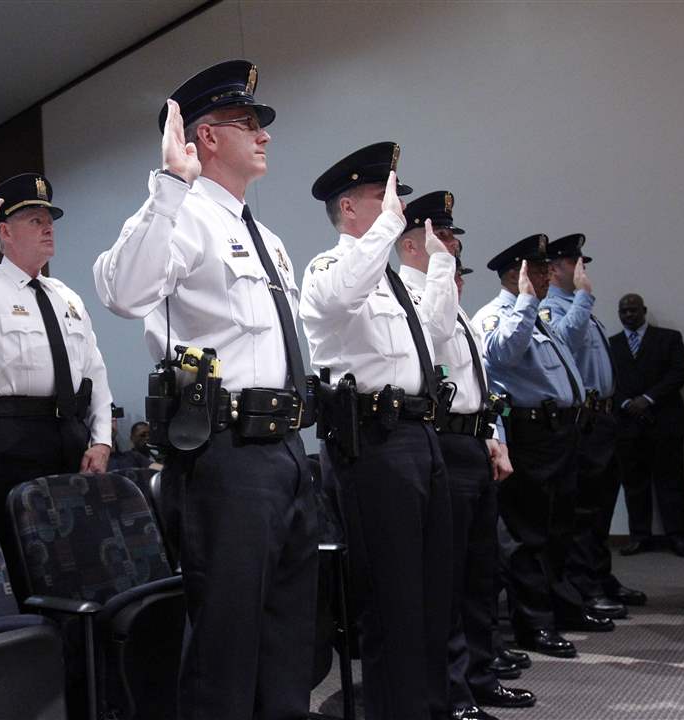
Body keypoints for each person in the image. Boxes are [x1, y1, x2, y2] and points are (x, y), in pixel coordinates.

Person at [93, 60, 318, 720]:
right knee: (225, 646)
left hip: (286, 452)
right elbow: (124, 294)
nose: (265, 135)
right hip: (225, 456)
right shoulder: (182, 215)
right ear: (207, 137)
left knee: (287, 641)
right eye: (249, 123)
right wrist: (167, 184)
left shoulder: (269, 240)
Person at [300, 143, 456, 720]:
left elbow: (438, 333)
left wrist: (438, 261)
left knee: (434, 590)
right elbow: (343, 293)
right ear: (349, 207)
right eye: (382, 197)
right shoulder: (326, 269)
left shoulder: (393, 281)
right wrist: (390, 227)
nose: (397, 205)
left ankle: (433, 705)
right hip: (372, 443)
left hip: (420, 437)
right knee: (392, 600)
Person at [0, 170, 112, 567]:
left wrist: (101, 439)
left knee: (74, 551)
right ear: (6, 233)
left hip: (70, 437)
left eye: (49, 221)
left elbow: (94, 372)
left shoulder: (67, 297)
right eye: (35, 220)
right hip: (10, 439)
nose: (48, 228)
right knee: (16, 554)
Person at [397, 192, 530, 718]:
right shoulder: (410, 300)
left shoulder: (452, 302)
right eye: (443, 238)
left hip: (473, 443)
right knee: (447, 579)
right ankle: (451, 691)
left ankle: (480, 673)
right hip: (443, 446)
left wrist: (492, 434)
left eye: (451, 238)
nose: (452, 247)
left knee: (481, 571)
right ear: (411, 245)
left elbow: (478, 383)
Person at [471, 235, 612, 662]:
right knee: (527, 534)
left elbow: (568, 346)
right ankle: (534, 623)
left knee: (559, 528)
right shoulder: (497, 315)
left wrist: (578, 299)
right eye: (538, 270)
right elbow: (502, 355)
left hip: (560, 433)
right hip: (530, 435)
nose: (547, 276)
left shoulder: (541, 319)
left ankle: (561, 607)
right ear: (516, 275)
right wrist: (527, 303)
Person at [539, 235, 647, 615]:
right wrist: (583, 297)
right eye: (575, 263)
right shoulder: (553, 308)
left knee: (601, 507)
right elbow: (564, 341)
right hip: (582, 421)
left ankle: (601, 577)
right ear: (553, 269)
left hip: (604, 417)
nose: (582, 269)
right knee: (583, 510)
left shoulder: (580, 307)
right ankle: (582, 586)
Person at [609, 293, 684, 557]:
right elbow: (605, 380)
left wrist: (647, 399)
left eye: (633, 310)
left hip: (665, 422)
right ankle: (639, 536)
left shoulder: (669, 338)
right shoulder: (611, 344)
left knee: (672, 483)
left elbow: (679, 373)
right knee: (634, 485)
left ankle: (678, 537)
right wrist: (626, 403)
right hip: (627, 425)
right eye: (623, 311)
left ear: (643, 310)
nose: (628, 315)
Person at [107, 406, 152, 471]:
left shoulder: (133, 457)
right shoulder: (89, 459)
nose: (111, 420)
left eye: (113, 416)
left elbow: (161, 470)